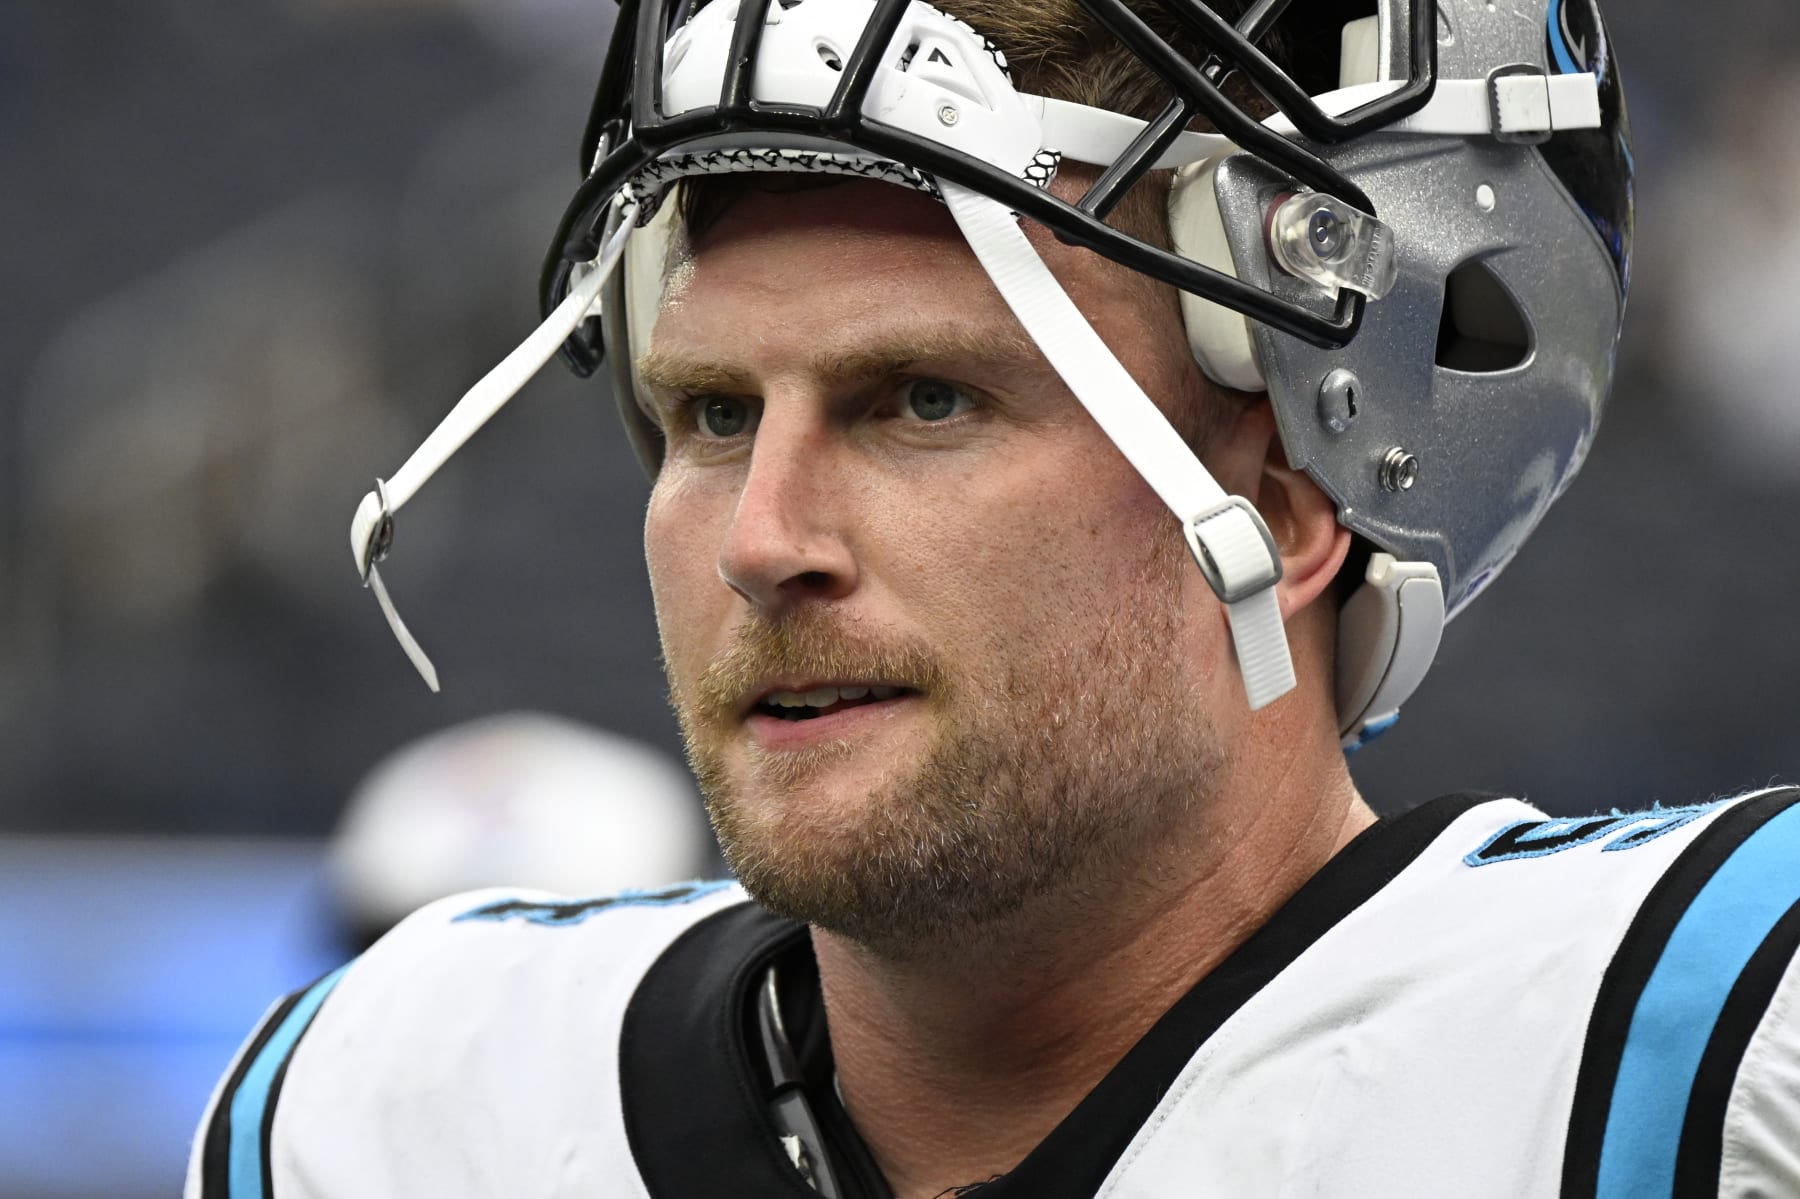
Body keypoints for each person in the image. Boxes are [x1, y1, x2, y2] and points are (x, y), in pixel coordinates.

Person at [190, 0, 1800, 1195]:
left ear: (1290, 504)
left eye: (924, 401)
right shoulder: (390, 1110)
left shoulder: (1701, 1063)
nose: (761, 538)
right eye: (715, 413)